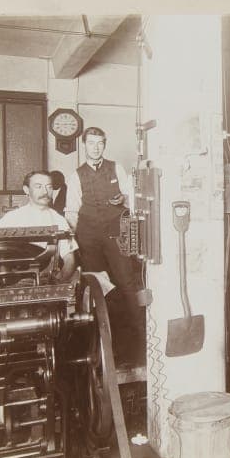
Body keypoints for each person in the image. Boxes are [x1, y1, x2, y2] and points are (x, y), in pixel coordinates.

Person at [65, 126, 145, 361]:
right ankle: (103, 342)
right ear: (84, 145)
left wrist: (124, 199)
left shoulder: (116, 168)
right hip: (88, 237)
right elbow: (71, 212)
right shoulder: (76, 175)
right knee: (98, 286)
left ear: (104, 145)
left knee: (126, 281)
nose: (96, 147)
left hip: (114, 233)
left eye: (100, 143)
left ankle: (139, 339)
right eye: (91, 143)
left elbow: (131, 198)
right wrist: (79, 239)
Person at [0, 170, 78, 282]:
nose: (45, 191)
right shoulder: (9, 220)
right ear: (26, 190)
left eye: (49, 187)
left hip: (46, 281)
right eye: (38, 186)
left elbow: (69, 259)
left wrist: (59, 279)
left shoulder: (59, 220)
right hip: (14, 281)